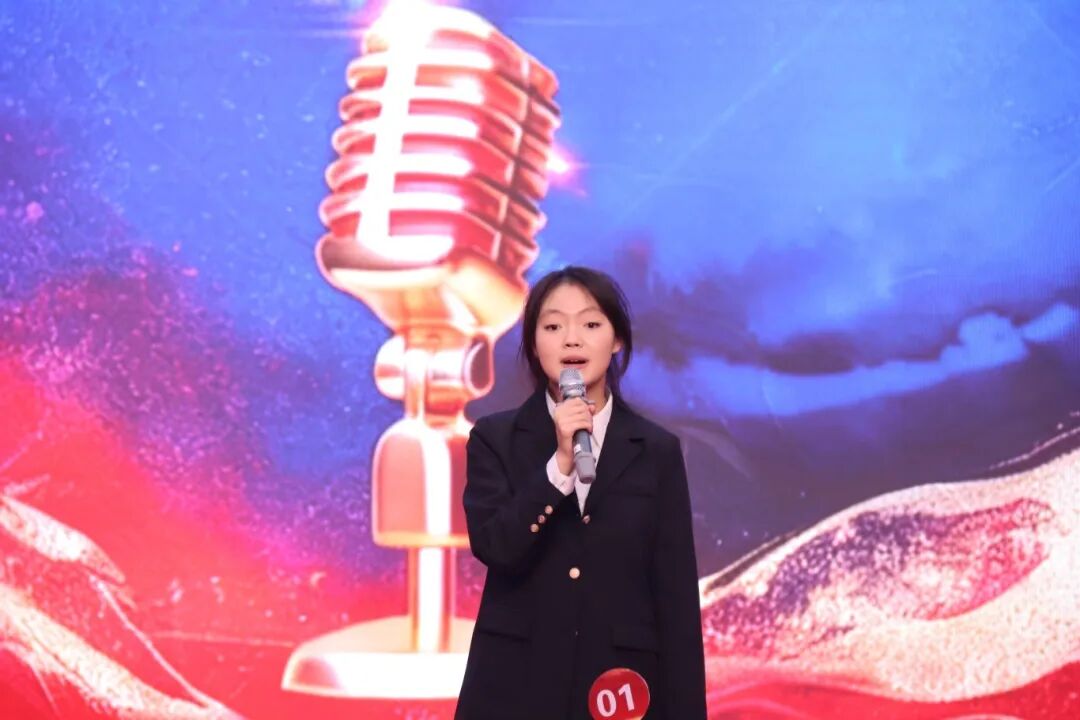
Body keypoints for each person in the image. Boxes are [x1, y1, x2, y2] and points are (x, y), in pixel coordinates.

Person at [455, 266, 707, 719]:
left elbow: (676, 601)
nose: (572, 340)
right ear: (534, 344)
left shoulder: (655, 451)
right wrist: (559, 466)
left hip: (620, 691)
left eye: (591, 324)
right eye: (553, 327)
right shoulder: (495, 438)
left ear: (617, 340)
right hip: (515, 687)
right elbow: (495, 546)